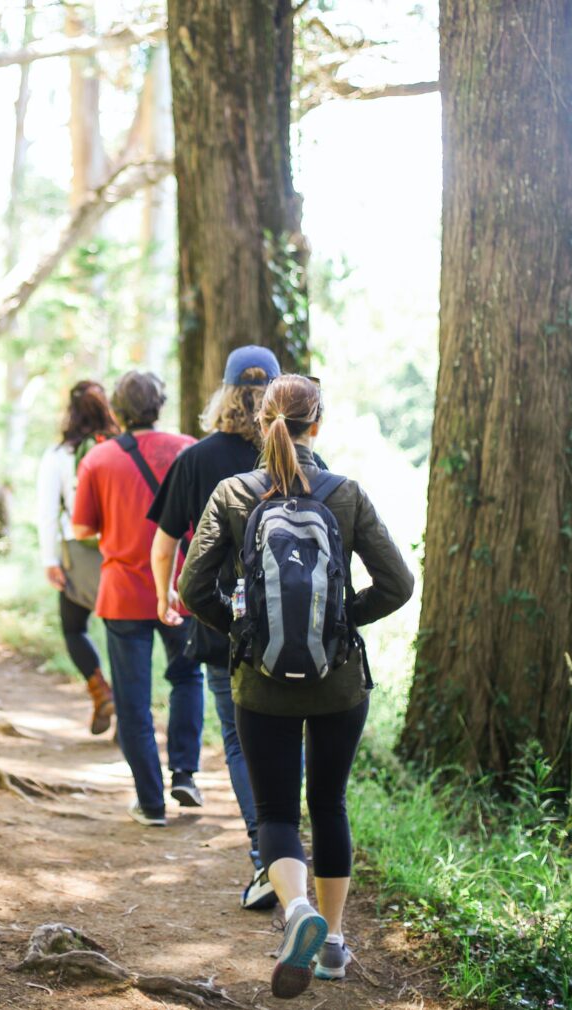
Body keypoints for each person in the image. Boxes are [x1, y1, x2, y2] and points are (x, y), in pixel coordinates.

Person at [179, 375, 414, 997]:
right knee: (329, 803)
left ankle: (297, 911)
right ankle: (333, 943)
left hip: (260, 685)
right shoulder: (346, 494)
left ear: (261, 423)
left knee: (279, 810)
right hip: (338, 685)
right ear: (319, 424)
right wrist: (340, 623)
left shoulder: (233, 494)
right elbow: (398, 585)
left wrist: (244, 632)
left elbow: (191, 589)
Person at [148, 346, 281, 906]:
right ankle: (288, 847)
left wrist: (165, 598)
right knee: (287, 735)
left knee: (238, 739)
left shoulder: (196, 459)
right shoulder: (296, 458)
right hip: (292, 623)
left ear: (224, 394)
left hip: (221, 621)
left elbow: (163, 545)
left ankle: (265, 855)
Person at [71, 371, 203, 827]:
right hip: (182, 588)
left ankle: (150, 802)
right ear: (160, 404)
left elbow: (82, 528)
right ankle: (185, 771)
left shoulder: (99, 459)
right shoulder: (188, 448)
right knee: (187, 678)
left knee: (132, 700)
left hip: (124, 592)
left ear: (118, 410)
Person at [36, 381, 119, 735]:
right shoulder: (121, 448)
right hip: (121, 554)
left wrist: (50, 560)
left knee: (74, 628)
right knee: (123, 635)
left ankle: (100, 689)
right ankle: (128, 712)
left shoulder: (59, 456)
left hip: (78, 554)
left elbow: (46, 512)